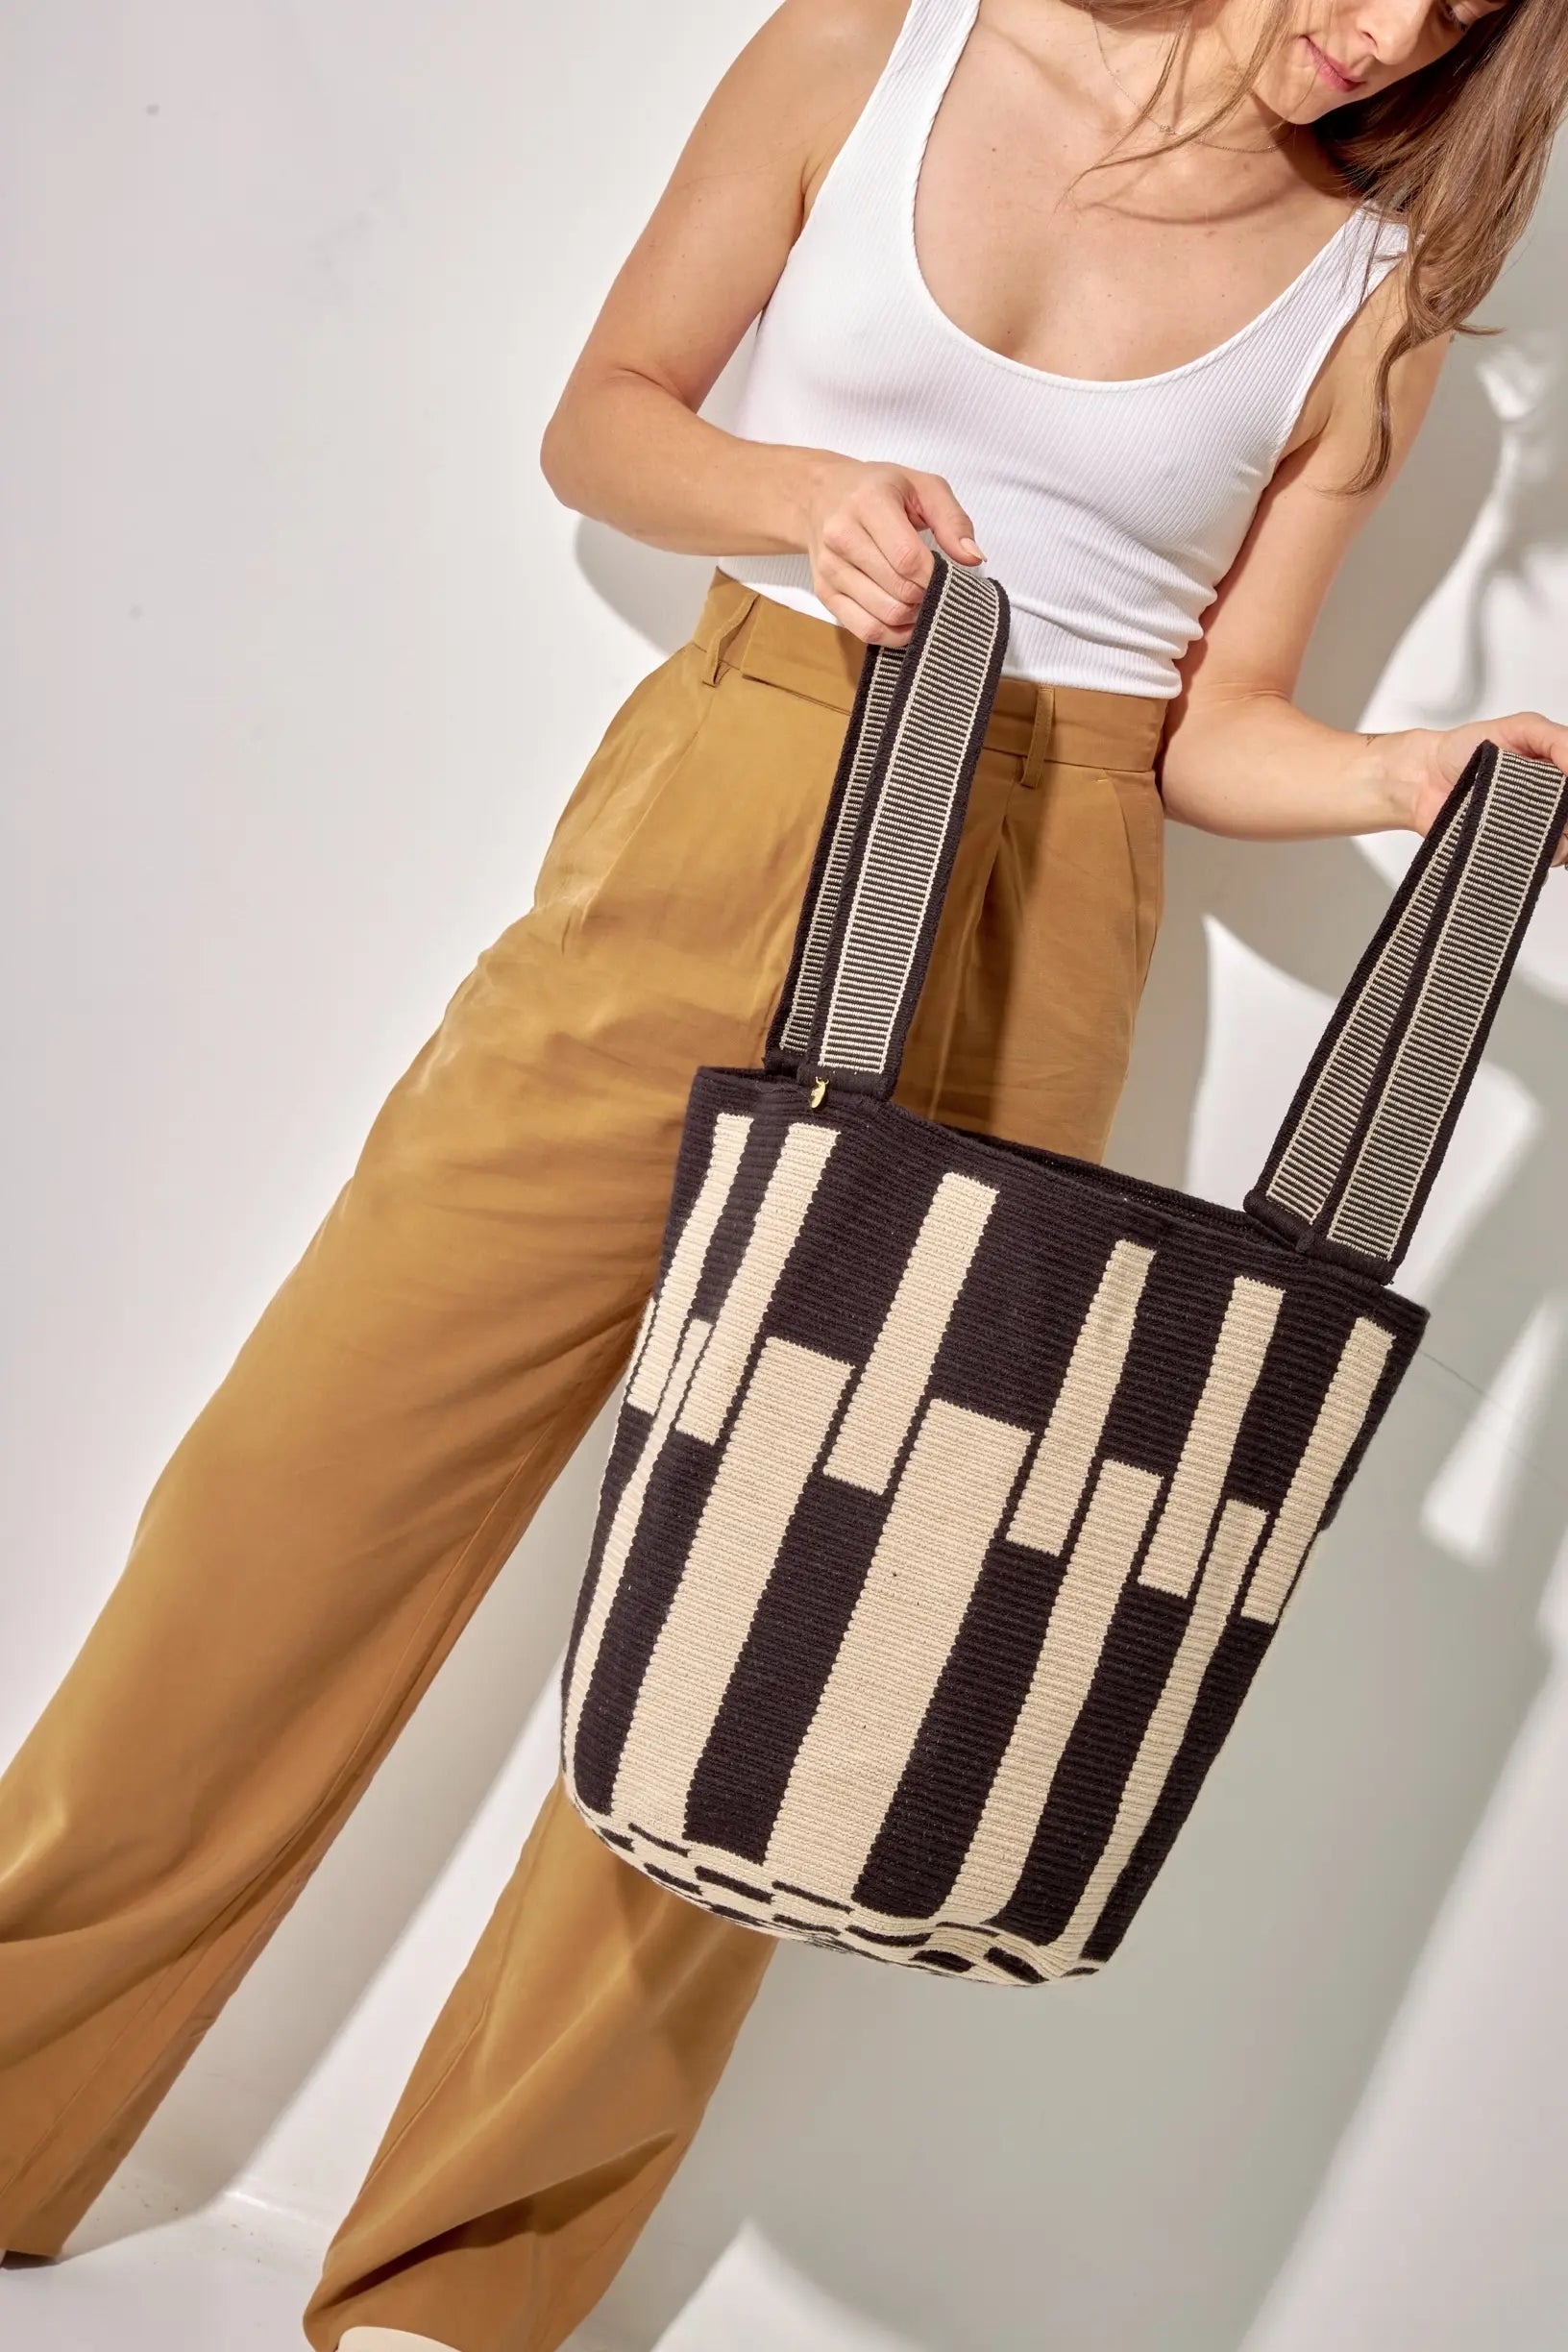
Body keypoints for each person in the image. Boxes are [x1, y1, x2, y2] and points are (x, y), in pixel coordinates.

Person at [3, 0, 1566, 2346]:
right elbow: (605, 418)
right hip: (740, 780)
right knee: (306, 1484)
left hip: (1054, 887)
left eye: (1461, 13)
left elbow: (1216, 719)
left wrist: (1398, 778)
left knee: (792, 1616)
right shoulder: (879, 45)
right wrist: (794, 496)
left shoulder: (1376, 294)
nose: (1390, 35)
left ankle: (455, 2294)